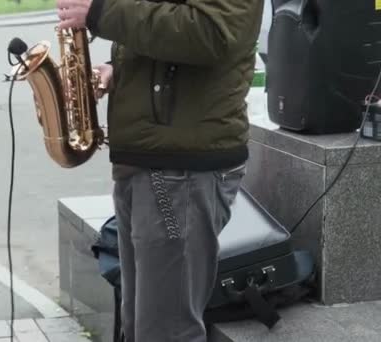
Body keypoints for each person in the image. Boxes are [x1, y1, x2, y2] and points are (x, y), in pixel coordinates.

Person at [56, 0, 263, 341]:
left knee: (168, 331)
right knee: (142, 326)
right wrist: (117, 67)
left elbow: (212, 33)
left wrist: (100, 13)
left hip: (181, 171)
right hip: (153, 161)